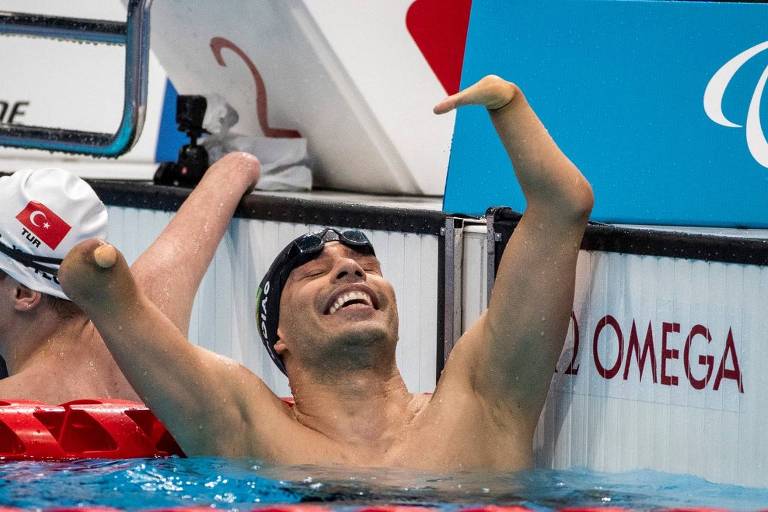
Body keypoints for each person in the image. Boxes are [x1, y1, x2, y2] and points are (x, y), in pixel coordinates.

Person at [58, 75, 593, 470]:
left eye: (366, 266)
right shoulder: (250, 428)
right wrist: (98, 280)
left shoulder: (483, 402)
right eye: (314, 271)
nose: (347, 270)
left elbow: (561, 206)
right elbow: (124, 311)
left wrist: (509, 106)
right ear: (279, 338)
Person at [0, 152, 260, 403]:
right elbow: (238, 166)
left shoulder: (10, 410)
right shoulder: (148, 339)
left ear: (23, 293)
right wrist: (237, 164)